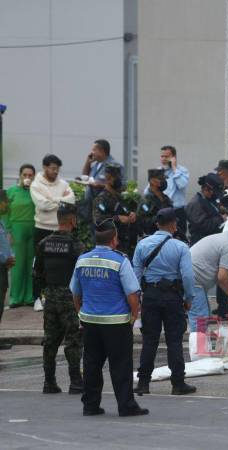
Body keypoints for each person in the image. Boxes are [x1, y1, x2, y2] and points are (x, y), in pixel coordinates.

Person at [70, 219, 148, 417]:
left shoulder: (83, 260)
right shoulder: (120, 261)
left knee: (91, 363)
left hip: (90, 321)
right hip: (116, 322)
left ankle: (90, 405)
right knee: (120, 365)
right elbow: (132, 294)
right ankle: (126, 405)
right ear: (114, 239)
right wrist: (133, 316)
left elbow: (75, 292)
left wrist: (81, 312)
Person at [133, 208, 196, 396]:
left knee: (149, 340)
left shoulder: (142, 245)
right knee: (174, 341)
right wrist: (189, 298)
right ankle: (178, 384)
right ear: (174, 225)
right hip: (172, 297)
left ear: (157, 224)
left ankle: (143, 383)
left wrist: (137, 299)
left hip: (150, 296)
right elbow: (187, 276)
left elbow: (135, 274)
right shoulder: (181, 247)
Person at [33, 203, 84, 394]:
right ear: (72, 220)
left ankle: (49, 382)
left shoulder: (44, 243)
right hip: (70, 298)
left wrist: (42, 294)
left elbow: (37, 273)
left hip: (50, 297)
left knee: (50, 340)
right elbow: (82, 274)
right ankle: (76, 382)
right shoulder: (76, 245)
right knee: (73, 340)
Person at [188, 223, 228, 349]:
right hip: (194, 281)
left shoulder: (222, 238)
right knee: (200, 317)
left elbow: (222, 277)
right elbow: (222, 277)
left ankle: (201, 349)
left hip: (193, 279)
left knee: (203, 315)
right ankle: (198, 354)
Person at [30, 154, 76, 309]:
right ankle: (37, 297)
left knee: (62, 263)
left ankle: (63, 295)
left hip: (59, 229)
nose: (55, 171)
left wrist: (52, 200)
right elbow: (42, 205)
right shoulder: (36, 184)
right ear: (45, 167)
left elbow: (72, 200)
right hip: (42, 228)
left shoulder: (63, 183)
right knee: (39, 264)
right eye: (52, 168)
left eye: (57, 169)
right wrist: (60, 200)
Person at [6, 164, 36, 308]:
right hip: (16, 229)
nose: (27, 178)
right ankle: (15, 298)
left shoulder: (36, 192)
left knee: (31, 264)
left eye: (30, 175)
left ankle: (29, 297)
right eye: (25, 175)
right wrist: (7, 231)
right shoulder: (11, 191)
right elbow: (4, 212)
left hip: (33, 228)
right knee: (17, 264)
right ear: (19, 175)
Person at [93, 163, 137, 258]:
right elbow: (98, 221)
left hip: (124, 245)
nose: (119, 181)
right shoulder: (101, 199)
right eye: (116, 178)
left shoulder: (120, 197)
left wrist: (131, 215)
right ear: (108, 179)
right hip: (109, 246)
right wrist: (117, 218)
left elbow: (126, 213)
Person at [156, 145, 189, 235]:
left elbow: (182, 185)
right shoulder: (157, 171)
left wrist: (174, 169)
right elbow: (147, 192)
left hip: (177, 211)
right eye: (162, 156)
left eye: (166, 156)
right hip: (161, 210)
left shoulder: (182, 171)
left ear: (173, 157)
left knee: (179, 238)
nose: (163, 159)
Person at [186, 173, 226, 245]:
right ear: (205, 189)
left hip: (212, 241)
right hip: (200, 243)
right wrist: (221, 218)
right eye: (214, 193)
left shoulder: (210, 200)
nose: (215, 195)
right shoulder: (195, 204)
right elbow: (202, 226)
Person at [0, 191, 16, 350]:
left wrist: (9, 258)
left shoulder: (2, 222)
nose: (7, 205)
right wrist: (4, 258)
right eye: (5, 202)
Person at [137, 169, 173, 238]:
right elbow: (141, 221)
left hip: (167, 236)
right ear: (152, 181)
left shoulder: (166, 198)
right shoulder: (145, 200)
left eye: (164, 179)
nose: (164, 182)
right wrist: (159, 218)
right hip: (152, 237)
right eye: (161, 179)